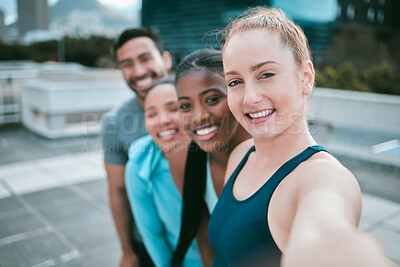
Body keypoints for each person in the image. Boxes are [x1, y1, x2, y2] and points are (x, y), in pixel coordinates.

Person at [208, 7, 393, 267]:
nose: (250, 97)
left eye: (266, 74)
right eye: (235, 82)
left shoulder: (321, 178)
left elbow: (327, 233)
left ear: (305, 77)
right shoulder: (241, 153)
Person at [171, 49, 250, 266]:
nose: (199, 117)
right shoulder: (182, 159)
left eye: (212, 99)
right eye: (186, 106)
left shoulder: (271, 157)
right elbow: (208, 250)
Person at [102, 27, 172, 267]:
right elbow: (118, 190)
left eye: (145, 59)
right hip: (148, 243)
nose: (139, 71)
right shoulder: (114, 122)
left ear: (165, 59)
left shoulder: (196, 103)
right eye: (127, 64)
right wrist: (127, 251)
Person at [125, 78, 203, 267]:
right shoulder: (139, 166)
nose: (163, 121)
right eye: (152, 114)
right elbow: (152, 233)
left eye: (174, 109)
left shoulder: (212, 152)